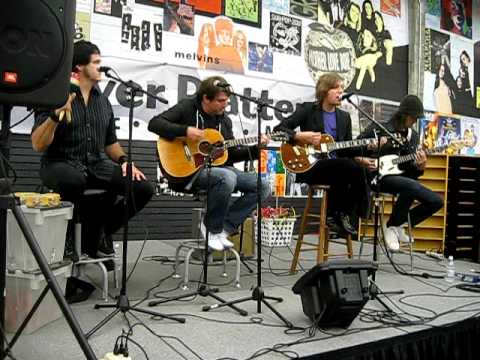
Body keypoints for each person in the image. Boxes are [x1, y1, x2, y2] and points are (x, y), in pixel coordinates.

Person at [31, 40, 154, 260]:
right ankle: (69, 245)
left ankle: (99, 233)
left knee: (143, 188)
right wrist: (54, 117)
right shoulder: (56, 95)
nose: (101, 67)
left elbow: (110, 144)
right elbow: (38, 144)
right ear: (79, 67)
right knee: (74, 181)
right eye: (96, 62)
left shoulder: (103, 102)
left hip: (97, 165)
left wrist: (124, 160)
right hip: (60, 163)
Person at [148, 76, 270, 251]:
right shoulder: (187, 107)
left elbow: (229, 156)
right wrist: (185, 130)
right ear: (206, 98)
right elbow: (154, 124)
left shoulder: (224, 121)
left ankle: (225, 228)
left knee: (263, 185)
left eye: (227, 101)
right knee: (226, 176)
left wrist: (257, 149)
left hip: (218, 171)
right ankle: (211, 228)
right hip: (188, 174)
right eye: (221, 100)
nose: (225, 104)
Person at [273, 73, 372, 236]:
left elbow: (345, 149)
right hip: (310, 165)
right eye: (337, 88)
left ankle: (340, 215)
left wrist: (368, 147)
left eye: (342, 88)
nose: (341, 92)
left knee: (363, 170)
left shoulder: (344, 117)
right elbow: (279, 130)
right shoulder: (307, 109)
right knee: (348, 166)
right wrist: (299, 136)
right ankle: (353, 213)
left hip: (335, 168)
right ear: (325, 91)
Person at [356, 95, 444, 251]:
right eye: (414, 117)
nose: (416, 121)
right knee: (411, 186)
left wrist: (420, 166)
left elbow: (411, 171)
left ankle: (399, 225)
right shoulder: (380, 129)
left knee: (436, 201)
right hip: (378, 177)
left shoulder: (413, 136)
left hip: (403, 179)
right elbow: (354, 149)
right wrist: (363, 160)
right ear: (404, 114)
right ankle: (391, 226)